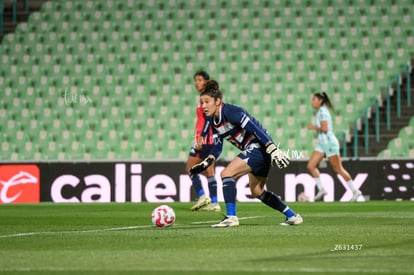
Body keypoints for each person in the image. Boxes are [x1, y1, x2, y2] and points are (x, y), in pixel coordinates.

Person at [190, 80, 303, 227]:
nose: (203, 106)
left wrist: (272, 148)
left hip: (259, 147)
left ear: (218, 101)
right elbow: (217, 146)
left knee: (226, 174)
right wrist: (207, 161)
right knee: (257, 191)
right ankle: (292, 216)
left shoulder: (232, 112)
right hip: (257, 151)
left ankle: (231, 217)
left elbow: (256, 129)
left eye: (207, 102)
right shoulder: (213, 121)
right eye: (201, 103)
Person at [306, 92, 363, 202]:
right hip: (322, 143)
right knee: (311, 165)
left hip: (329, 143)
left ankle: (355, 190)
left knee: (338, 168)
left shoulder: (322, 112)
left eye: (314, 99)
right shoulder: (320, 112)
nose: (311, 101)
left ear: (320, 101)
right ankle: (321, 189)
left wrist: (313, 127)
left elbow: (325, 128)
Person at [185, 71, 221, 211]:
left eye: (200, 80)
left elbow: (207, 119)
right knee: (208, 171)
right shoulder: (207, 97)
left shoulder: (204, 99)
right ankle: (214, 202)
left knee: (190, 169)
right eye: (195, 80)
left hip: (205, 138)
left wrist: (201, 138)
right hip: (210, 138)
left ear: (206, 81)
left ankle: (203, 196)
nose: (197, 82)